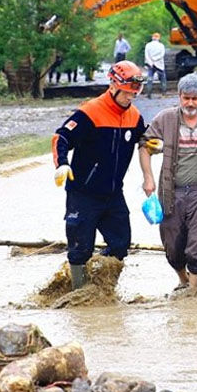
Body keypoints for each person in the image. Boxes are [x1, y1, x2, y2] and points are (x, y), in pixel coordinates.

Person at [52, 61, 147, 290]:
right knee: (80, 248)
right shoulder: (90, 112)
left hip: (113, 194)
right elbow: (61, 137)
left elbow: (144, 137)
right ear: (113, 86)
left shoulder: (134, 116)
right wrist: (62, 164)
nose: (130, 98)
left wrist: (151, 142)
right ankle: (78, 294)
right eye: (126, 94)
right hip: (83, 193)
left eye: (134, 94)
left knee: (121, 244)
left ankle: (103, 290)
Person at [139, 74, 197, 291]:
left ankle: (192, 292)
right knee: (173, 246)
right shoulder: (166, 118)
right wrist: (148, 177)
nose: (190, 103)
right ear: (179, 97)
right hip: (171, 192)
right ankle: (183, 280)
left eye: (195, 98)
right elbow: (144, 146)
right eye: (186, 98)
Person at [144, 32, 167, 98]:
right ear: (159, 38)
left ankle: (149, 94)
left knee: (150, 79)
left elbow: (146, 55)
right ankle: (163, 93)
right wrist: (155, 59)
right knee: (163, 79)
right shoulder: (161, 45)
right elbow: (162, 55)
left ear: (152, 37)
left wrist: (151, 61)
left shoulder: (148, 45)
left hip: (150, 64)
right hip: (159, 64)